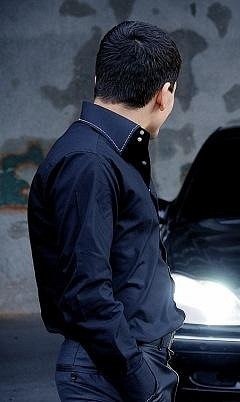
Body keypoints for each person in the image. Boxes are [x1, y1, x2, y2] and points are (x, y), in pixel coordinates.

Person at [27, 21, 185, 401]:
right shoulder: (90, 162)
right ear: (164, 96)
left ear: (99, 79)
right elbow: (87, 293)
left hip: (122, 366)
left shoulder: (111, 153)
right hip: (109, 374)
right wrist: (141, 382)